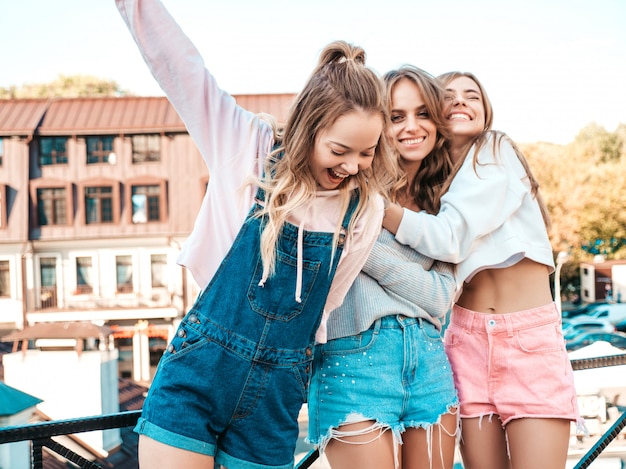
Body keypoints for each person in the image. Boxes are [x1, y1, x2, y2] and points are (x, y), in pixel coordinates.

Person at [115, 1, 399, 468]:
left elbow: (326, 304)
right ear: (309, 127)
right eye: (339, 150)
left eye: (366, 153)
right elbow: (179, 65)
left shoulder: (363, 208)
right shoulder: (245, 145)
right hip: (200, 374)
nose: (352, 166)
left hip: (277, 397)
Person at [382, 71, 584, 469]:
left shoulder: (496, 151)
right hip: (465, 341)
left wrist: (378, 210)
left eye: (471, 95)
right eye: (448, 95)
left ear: (486, 110)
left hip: (527, 340)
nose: (460, 101)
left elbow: (450, 237)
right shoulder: (433, 181)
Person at [307, 65, 459, 469]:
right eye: (396, 116)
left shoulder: (444, 204)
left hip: (428, 361)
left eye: (423, 113)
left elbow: (440, 298)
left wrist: (367, 245)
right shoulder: (345, 180)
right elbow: (333, 252)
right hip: (353, 357)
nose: (412, 126)